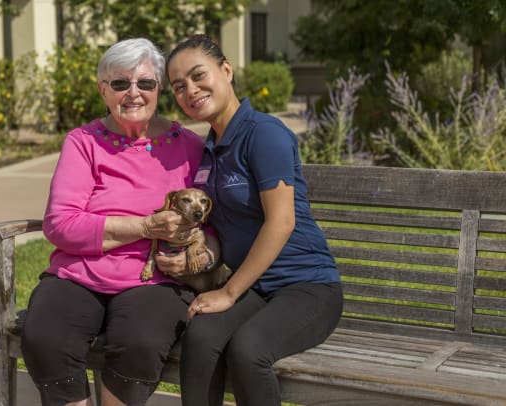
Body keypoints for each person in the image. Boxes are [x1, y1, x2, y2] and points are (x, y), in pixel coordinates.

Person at [19, 37, 220, 406]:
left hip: (156, 280)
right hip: (79, 275)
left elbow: (213, 220)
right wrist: (145, 227)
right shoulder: (83, 142)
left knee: (138, 341)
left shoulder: (190, 147)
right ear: (102, 89)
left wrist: (201, 258)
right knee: (46, 335)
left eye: (145, 83)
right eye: (120, 83)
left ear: (159, 88)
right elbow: (61, 225)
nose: (133, 93)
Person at [163, 34, 344, 406]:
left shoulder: (265, 135)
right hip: (258, 287)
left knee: (248, 351)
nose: (191, 91)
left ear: (226, 71)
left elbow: (282, 222)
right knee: (199, 337)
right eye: (179, 87)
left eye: (199, 76)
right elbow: (213, 224)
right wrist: (198, 257)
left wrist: (229, 292)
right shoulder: (210, 149)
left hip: (308, 287)